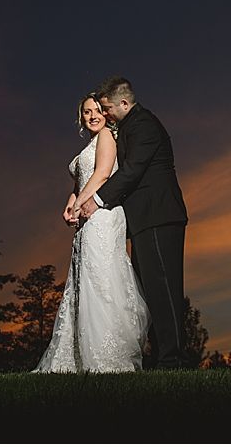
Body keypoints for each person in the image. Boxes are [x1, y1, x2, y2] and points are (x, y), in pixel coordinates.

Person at [32, 94, 150, 373]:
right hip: (87, 217)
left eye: (97, 110)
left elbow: (102, 175)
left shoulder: (108, 136)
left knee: (101, 279)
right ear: (80, 117)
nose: (92, 115)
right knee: (84, 279)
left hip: (103, 215)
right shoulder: (90, 143)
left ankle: (107, 355)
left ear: (107, 114)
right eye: (86, 112)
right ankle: (75, 356)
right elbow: (81, 181)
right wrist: (71, 202)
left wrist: (82, 204)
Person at [78, 76, 190, 369]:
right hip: (144, 220)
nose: (104, 114)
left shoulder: (144, 125)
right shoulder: (128, 126)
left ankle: (174, 360)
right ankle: (163, 356)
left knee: (164, 289)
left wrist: (97, 201)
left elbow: (132, 171)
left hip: (158, 216)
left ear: (124, 103)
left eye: (107, 108)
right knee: (150, 289)